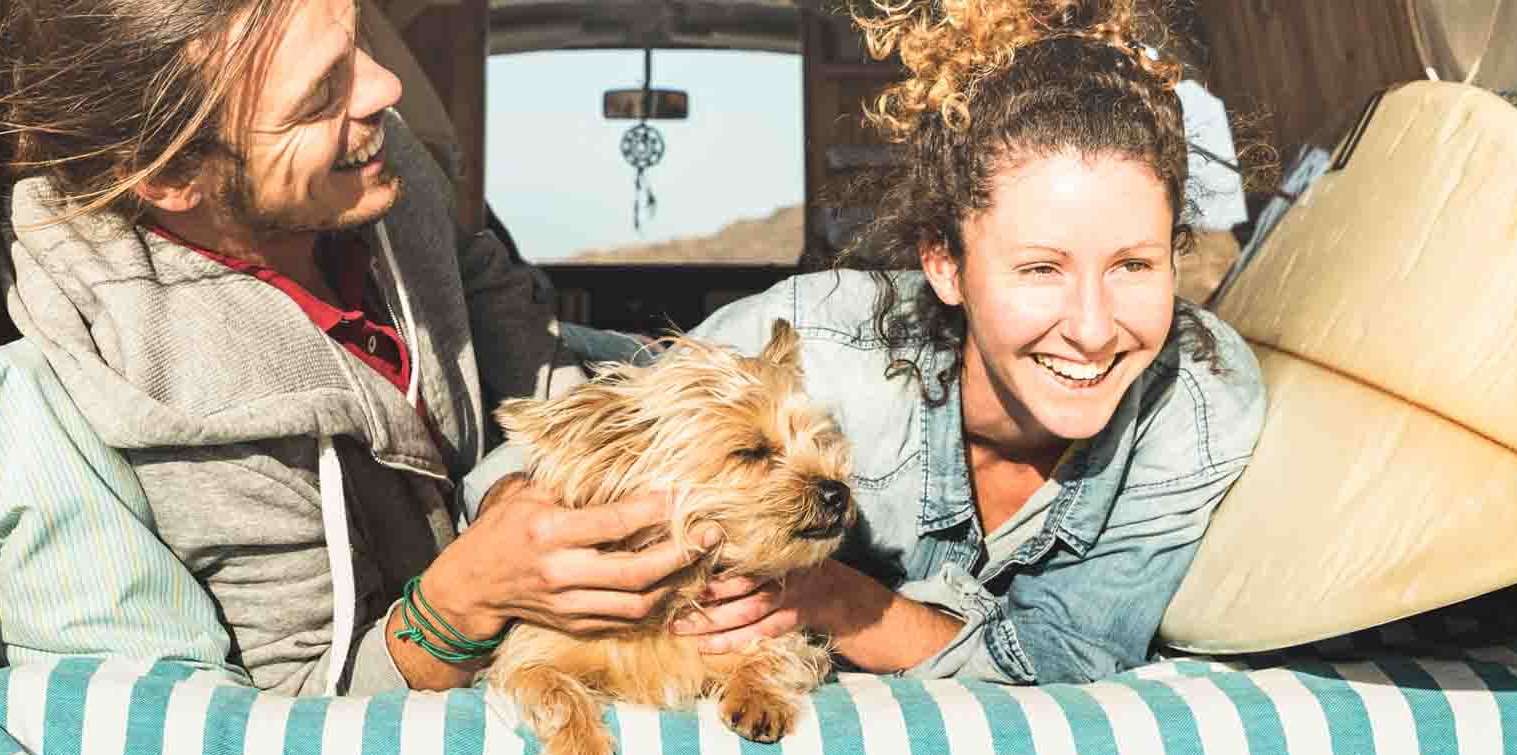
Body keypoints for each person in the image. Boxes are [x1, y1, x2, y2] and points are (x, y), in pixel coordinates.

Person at [466, 0, 1269, 684]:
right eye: (1040, 269)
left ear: (1175, 254)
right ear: (944, 263)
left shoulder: (1198, 402)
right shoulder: (815, 344)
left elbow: (1070, 659)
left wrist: (836, 600)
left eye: (1133, 264)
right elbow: (543, 467)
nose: (1094, 329)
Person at [0, 0, 697, 696]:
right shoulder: (188, 403)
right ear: (173, 177)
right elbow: (307, 704)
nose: (385, 89)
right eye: (321, 94)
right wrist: (463, 605)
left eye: (358, 42)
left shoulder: (378, 173)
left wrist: (527, 480)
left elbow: (483, 285)